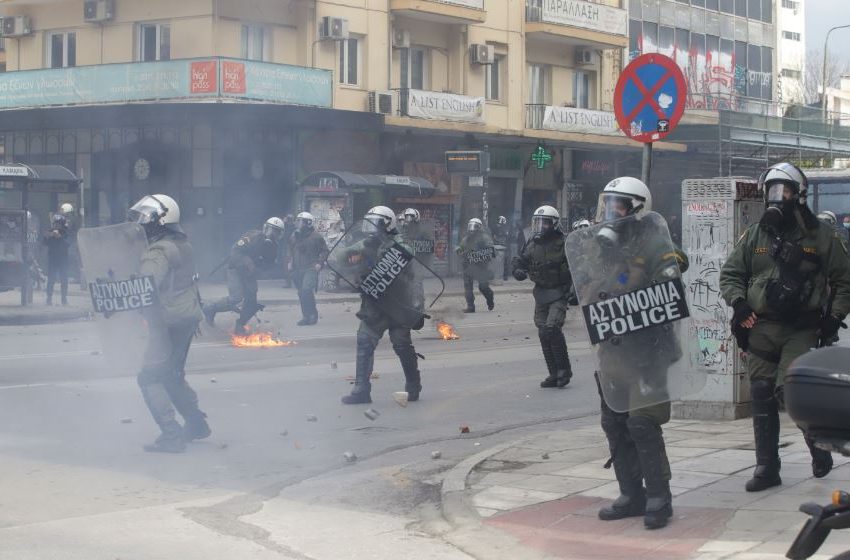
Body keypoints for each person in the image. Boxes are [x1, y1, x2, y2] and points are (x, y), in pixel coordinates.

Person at [720, 162, 850, 492]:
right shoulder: (755, 235)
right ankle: (766, 467)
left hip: (802, 328)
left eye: (785, 190)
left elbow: (844, 280)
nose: (778, 197)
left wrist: (833, 318)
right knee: (761, 392)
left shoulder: (822, 236)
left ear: (799, 195)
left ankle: (820, 450)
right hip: (763, 326)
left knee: (789, 392)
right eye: (772, 190)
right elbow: (731, 274)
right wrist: (739, 303)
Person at [586, 177, 689, 530]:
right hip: (614, 351)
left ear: (638, 208)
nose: (611, 211)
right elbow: (590, 283)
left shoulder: (655, 243)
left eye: (620, 205)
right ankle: (631, 493)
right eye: (609, 203)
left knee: (643, 425)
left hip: (649, 351)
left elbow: (671, 282)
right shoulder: (605, 247)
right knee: (614, 423)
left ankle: (659, 496)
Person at [127, 194, 209, 453]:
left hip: (167, 320)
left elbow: (146, 284)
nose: (142, 224)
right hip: (186, 317)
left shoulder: (158, 250)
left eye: (146, 218)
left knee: (149, 376)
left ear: (162, 220)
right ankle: (196, 424)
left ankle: (171, 435)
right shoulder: (183, 244)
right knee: (172, 375)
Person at [338, 206, 422, 405]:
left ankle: (413, 385)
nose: (372, 227)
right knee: (364, 342)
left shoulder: (400, 243)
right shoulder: (368, 243)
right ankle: (361, 390)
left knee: (401, 345)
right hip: (375, 303)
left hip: (398, 303)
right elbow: (341, 257)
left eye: (376, 223)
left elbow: (407, 256)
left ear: (387, 223)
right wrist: (356, 252)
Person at [512, 205, 573, 388]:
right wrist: (518, 270)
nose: (541, 227)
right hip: (541, 293)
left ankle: (564, 370)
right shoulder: (532, 243)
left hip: (559, 292)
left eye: (545, 223)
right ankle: (553, 374)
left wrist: (574, 291)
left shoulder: (564, 243)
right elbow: (520, 260)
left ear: (553, 224)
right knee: (543, 333)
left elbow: (578, 266)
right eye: (538, 223)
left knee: (552, 328)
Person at [203, 217, 284, 334]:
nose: (272, 234)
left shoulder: (273, 247)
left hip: (249, 273)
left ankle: (240, 325)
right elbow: (235, 251)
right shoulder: (253, 236)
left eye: (276, 232)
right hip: (235, 269)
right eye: (271, 230)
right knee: (236, 298)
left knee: (251, 302)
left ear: (280, 234)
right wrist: (248, 261)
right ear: (265, 228)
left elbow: (269, 264)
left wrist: (260, 268)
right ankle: (210, 308)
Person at [289, 212, 328, 326]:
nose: (298, 223)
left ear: (308, 223)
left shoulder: (316, 237)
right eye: (298, 221)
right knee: (302, 293)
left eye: (301, 221)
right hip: (297, 268)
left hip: (311, 268)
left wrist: (319, 263)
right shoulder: (294, 236)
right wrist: (290, 262)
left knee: (306, 290)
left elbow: (325, 251)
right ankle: (306, 316)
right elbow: (290, 250)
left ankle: (313, 314)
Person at [457, 218, 495, 313]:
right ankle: (470, 306)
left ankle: (490, 298)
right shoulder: (467, 238)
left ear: (479, 227)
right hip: (468, 265)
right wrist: (459, 251)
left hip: (480, 266)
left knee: (483, 287)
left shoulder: (484, 237)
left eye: (474, 226)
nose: (472, 228)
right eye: (470, 225)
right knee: (468, 287)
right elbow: (460, 248)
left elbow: (491, 249)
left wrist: (483, 253)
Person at [401, 208, 435, 310]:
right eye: (407, 216)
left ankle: (419, 305)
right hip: (404, 259)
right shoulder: (403, 229)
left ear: (416, 217)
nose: (409, 219)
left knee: (416, 282)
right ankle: (408, 303)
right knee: (405, 282)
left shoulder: (422, 230)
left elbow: (430, 246)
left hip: (417, 259)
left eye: (411, 216)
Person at [42, 214, 70, 306]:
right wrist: (47, 236)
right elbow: (44, 243)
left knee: (64, 280)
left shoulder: (66, 233)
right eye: (55, 224)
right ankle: (49, 298)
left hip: (63, 260)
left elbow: (69, 244)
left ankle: (64, 299)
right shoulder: (50, 232)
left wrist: (60, 238)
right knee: (51, 280)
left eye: (58, 224)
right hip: (52, 259)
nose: (56, 226)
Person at [280, 214, 296, 288]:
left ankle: (291, 282)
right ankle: (288, 282)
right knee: (286, 266)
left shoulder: (294, 227)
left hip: (292, 248)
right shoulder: (284, 227)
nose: (289, 221)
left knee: (291, 266)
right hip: (287, 248)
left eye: (290, 219)